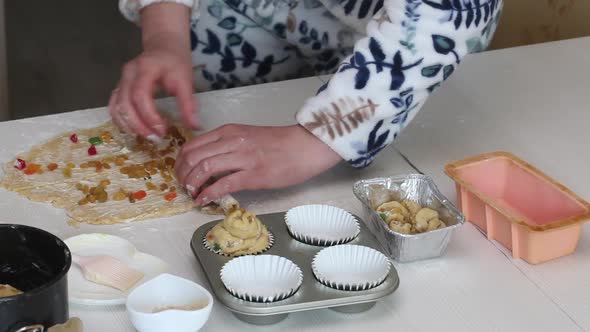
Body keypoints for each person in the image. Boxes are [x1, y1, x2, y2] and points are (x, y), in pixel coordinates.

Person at [111, 0, 503, 205]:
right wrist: (165, 35)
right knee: (231, 126)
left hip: (406, 34)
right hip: (249, 11)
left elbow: (445, 12)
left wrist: (316, 140)